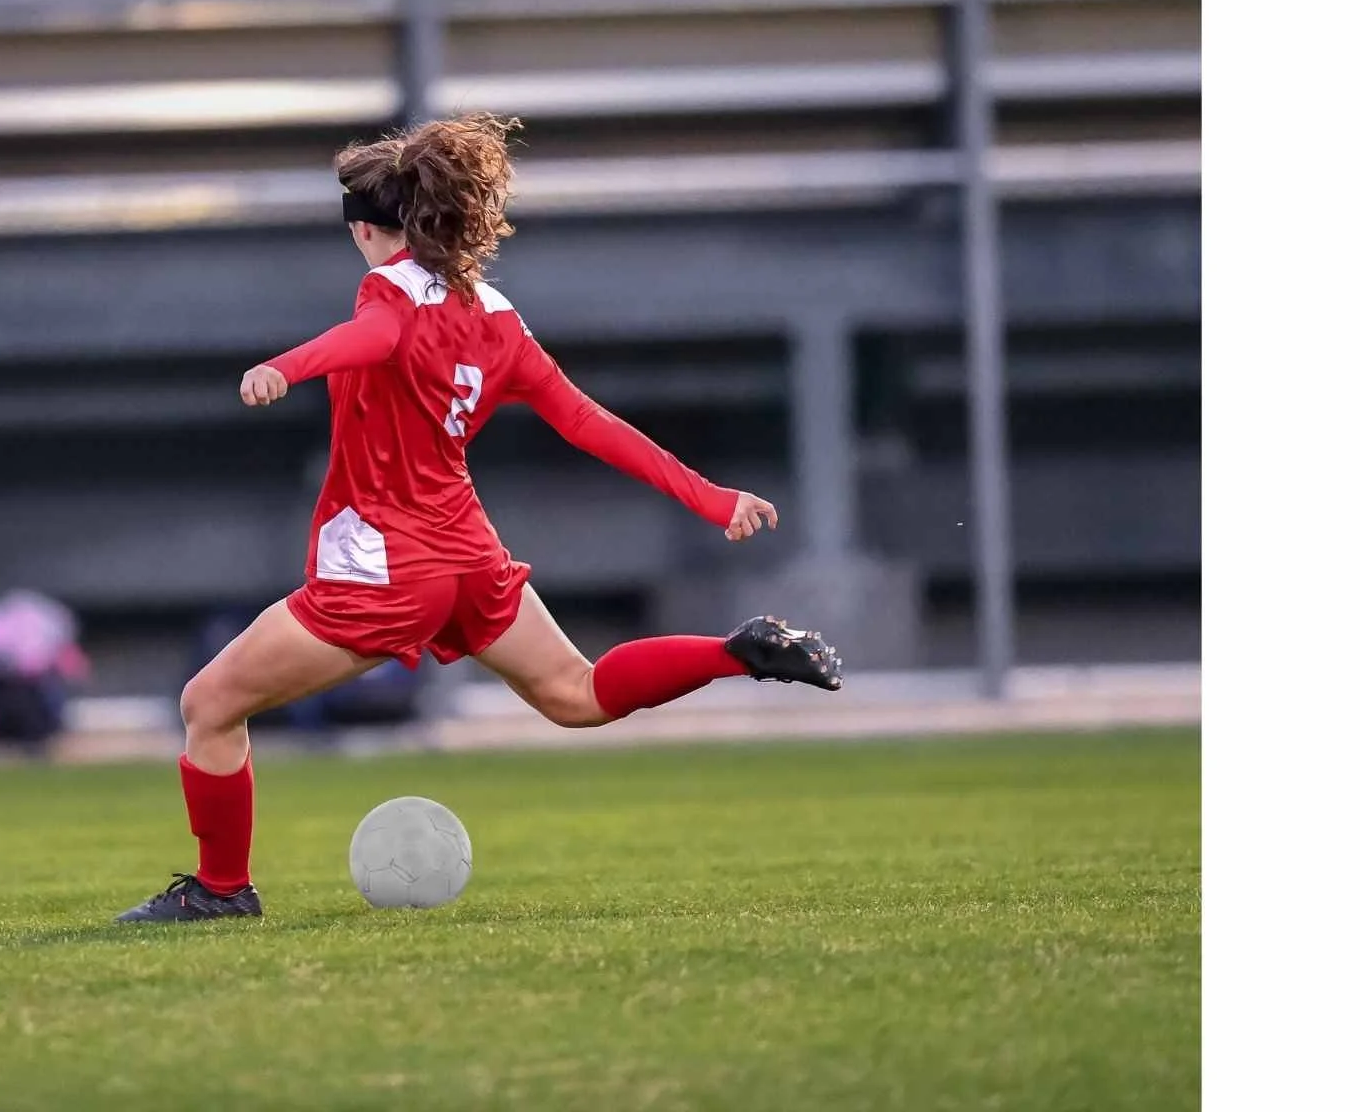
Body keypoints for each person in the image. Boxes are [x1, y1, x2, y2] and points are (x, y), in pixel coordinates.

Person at [117, 113, 842, 924]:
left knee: (208, 704)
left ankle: (221, 890)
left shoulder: (384, 290)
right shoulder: (497, 316)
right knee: (576, 694)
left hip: (389, 567)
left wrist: (282, 368)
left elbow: (373, 335)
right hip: (470, 558)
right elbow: (587, 422)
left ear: (366, 231)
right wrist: (713, 498)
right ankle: (735, 654)